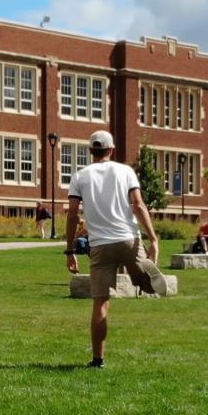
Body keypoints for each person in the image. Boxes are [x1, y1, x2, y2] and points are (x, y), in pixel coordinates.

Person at [64, 131, 168, 368]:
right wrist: (153, 239)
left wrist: (70, 251)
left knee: (100, 304)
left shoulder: (80, 177)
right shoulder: (126, 171)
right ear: (111, 150)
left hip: (100, 245)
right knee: (144, 277)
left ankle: (98, 360)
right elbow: (138, 205)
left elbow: (72, 215)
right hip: (129, 239)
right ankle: (145, 279)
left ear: (91, 151)